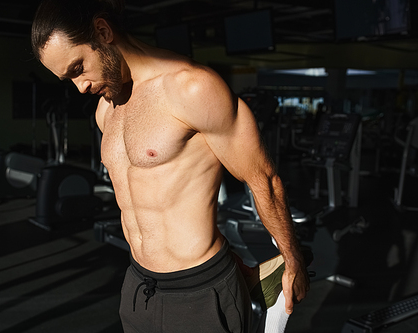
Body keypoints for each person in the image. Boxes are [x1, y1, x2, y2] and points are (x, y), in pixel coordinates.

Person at [31, 0, 310, 332]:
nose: (81, 87)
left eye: (78, 68)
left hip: (201, 290)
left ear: (103, 31)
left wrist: (292, 260)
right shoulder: (106, 111)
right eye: (69, 79)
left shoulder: (192, 88)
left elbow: (262, 177)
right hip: (138, 286)